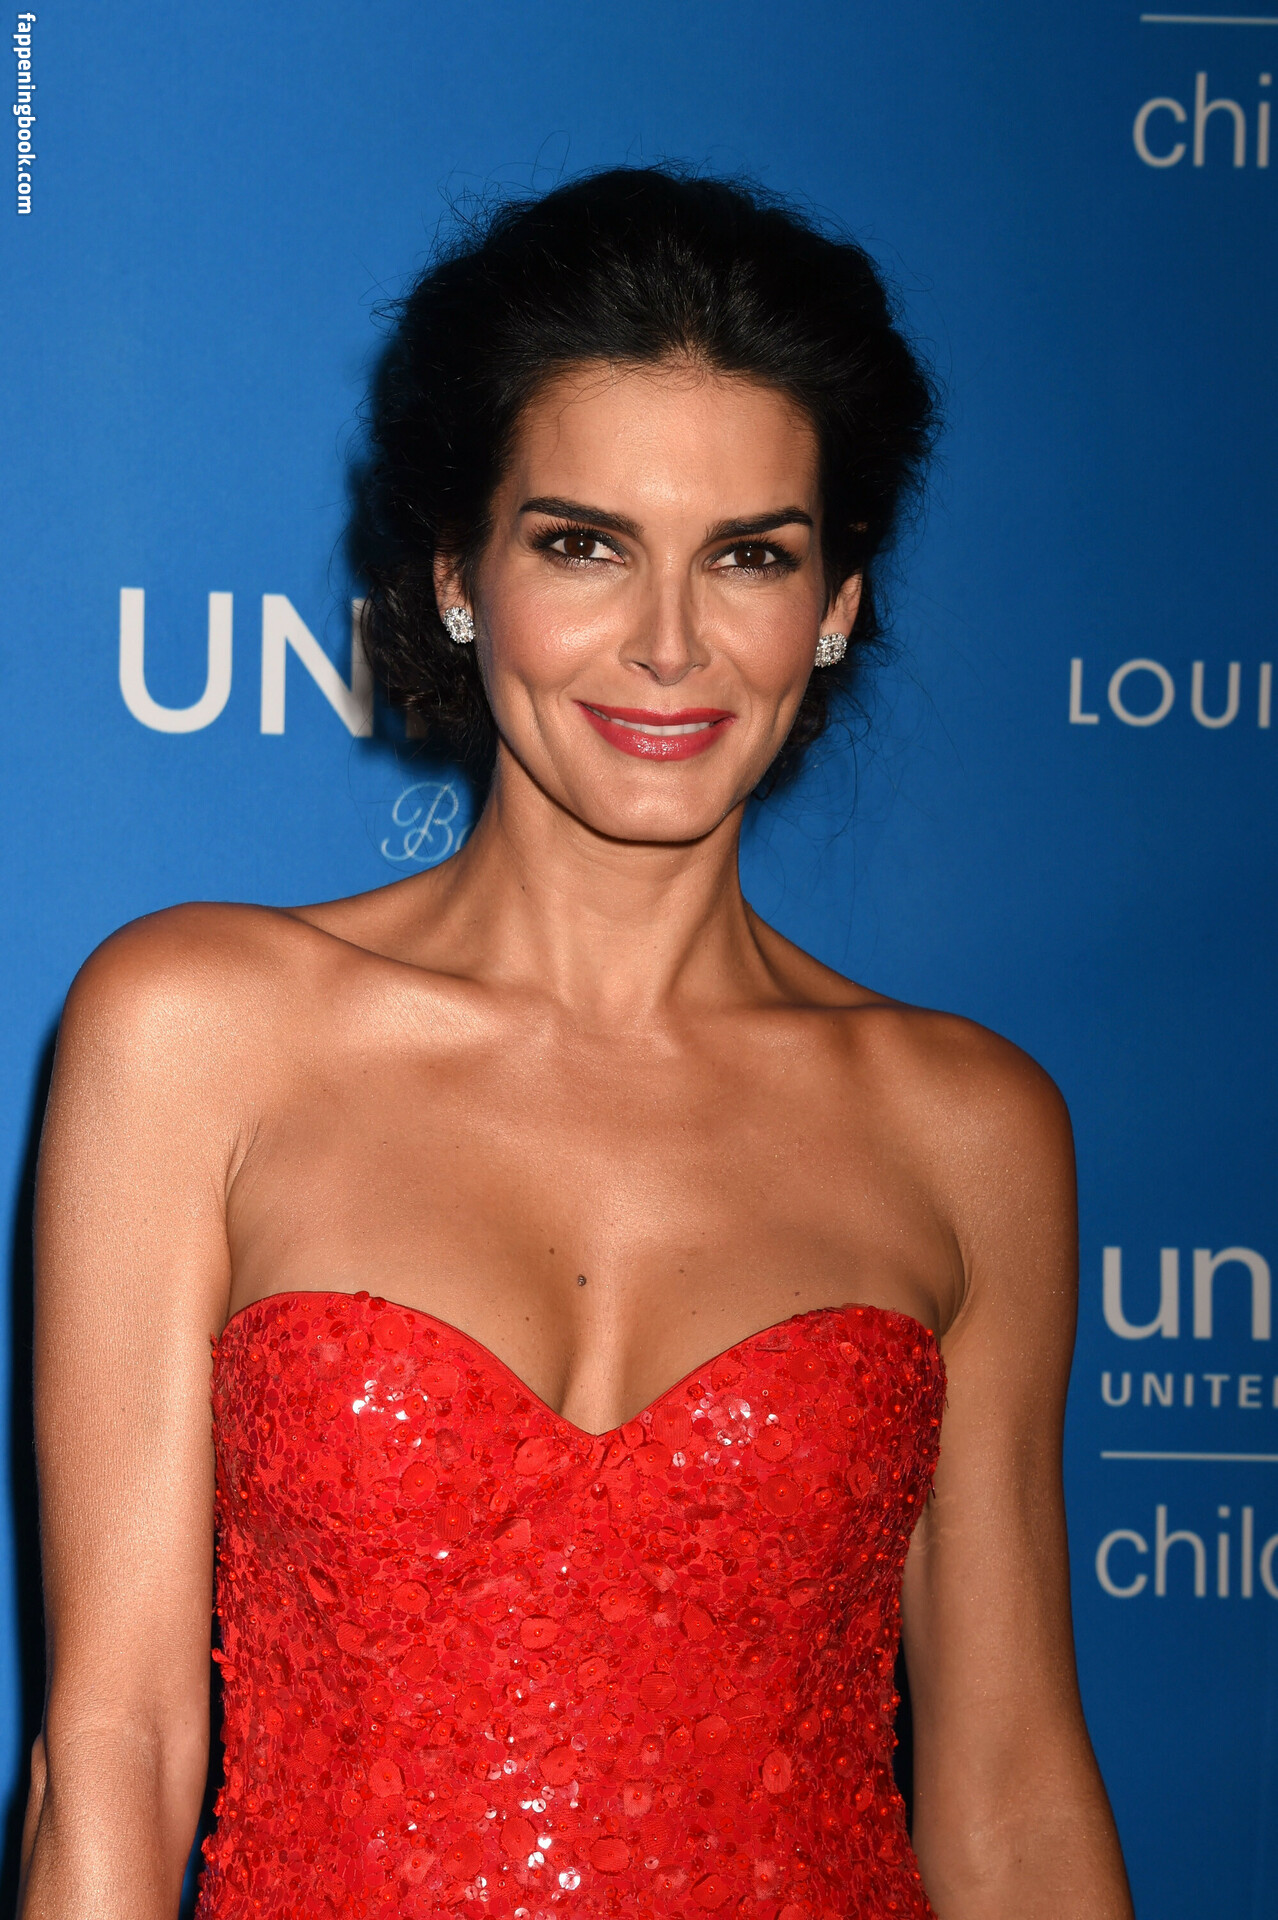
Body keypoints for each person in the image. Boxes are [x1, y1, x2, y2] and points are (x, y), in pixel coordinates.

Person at [19, 167, 1132, 1920]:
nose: (669, 644)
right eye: (582, 544)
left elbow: (1008, 1797)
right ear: (456, 572)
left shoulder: (966, 1123)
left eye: (750, 556)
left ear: (835, 603)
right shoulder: (198, 1034)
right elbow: (114, 1753)